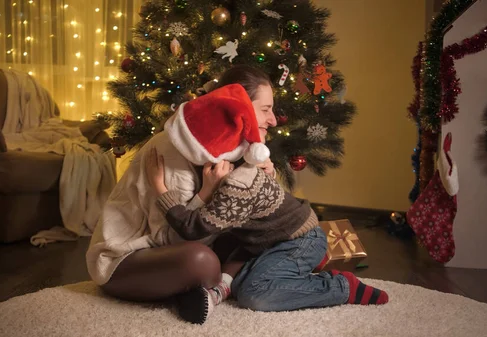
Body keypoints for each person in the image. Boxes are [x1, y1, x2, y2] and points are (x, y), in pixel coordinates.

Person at [145, 84, 389, 324]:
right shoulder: (235, 170)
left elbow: (193, 229)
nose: (270, 119)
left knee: (255, 294)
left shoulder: (239, 183)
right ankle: (282, 276)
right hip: (267, 243)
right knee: (243, 283)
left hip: (300, 240)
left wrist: (159, 188)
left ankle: (342, 286)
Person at [85, 65, 277, 317]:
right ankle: (213, 284)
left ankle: (207, 289)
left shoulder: (238, 149)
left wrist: (265, 180)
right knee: (202, 261)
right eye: (265, 110)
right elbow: (171, 238)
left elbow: (252, 221)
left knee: (260, 238)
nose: (273, 120)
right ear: (238, 107)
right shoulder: (174, 148)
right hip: (126, 259)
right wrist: (207, 191)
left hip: (181, 246)